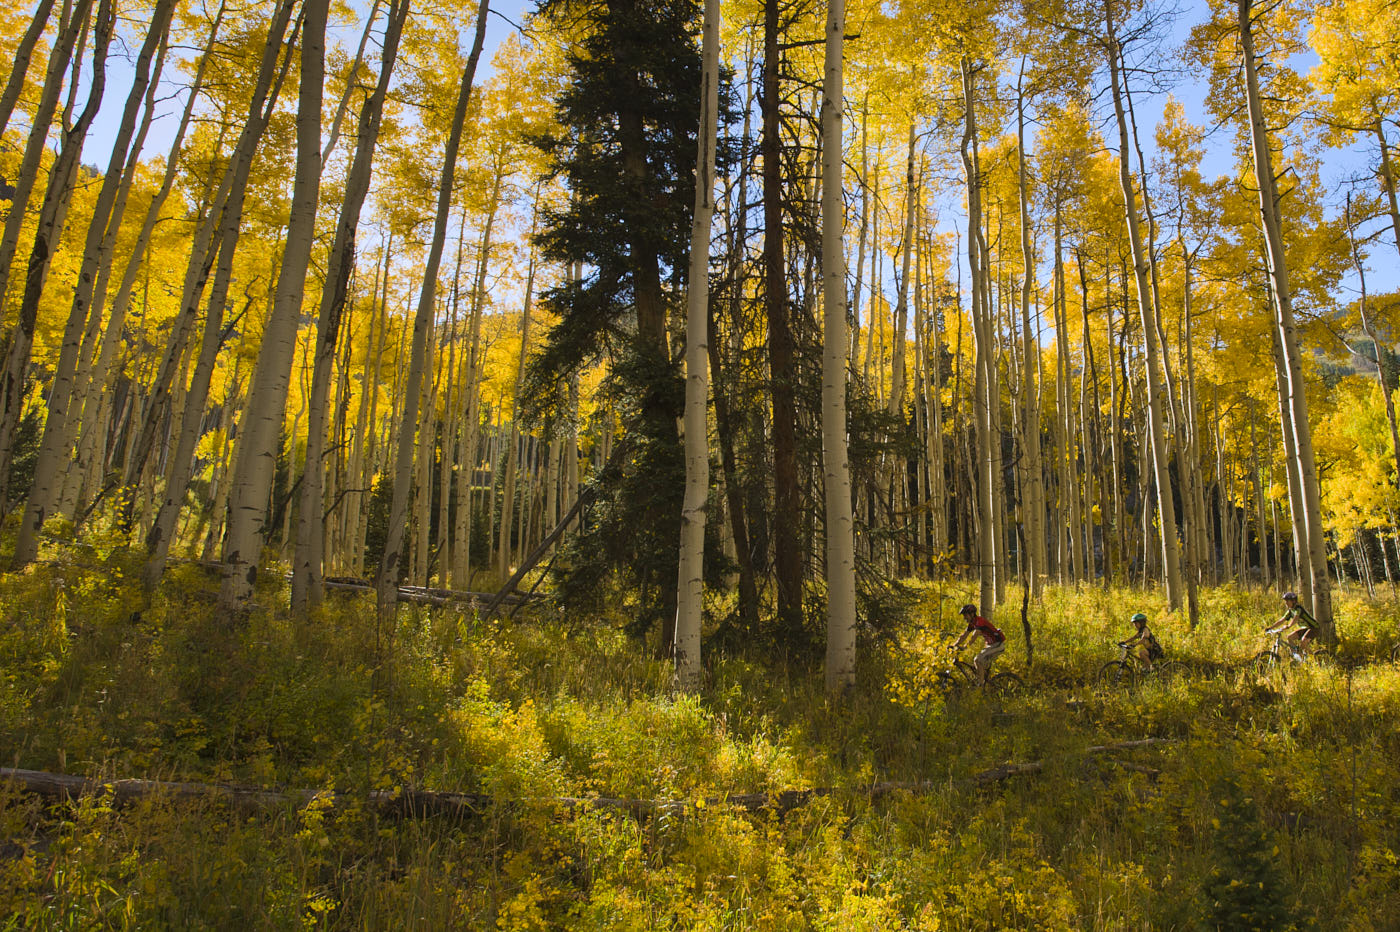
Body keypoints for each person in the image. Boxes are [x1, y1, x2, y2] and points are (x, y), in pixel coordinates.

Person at [952, 603, 1005, 685]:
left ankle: (980, 687)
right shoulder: (972, 623)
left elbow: (974, 636)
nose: (964, 618)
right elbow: (964, 636)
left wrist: (965, 647)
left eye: (965, 615)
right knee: (979, 663)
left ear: (972, 614)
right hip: (990, 645)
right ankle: (984, 680)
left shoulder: (979, 622)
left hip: (997, 644)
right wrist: (954, 645)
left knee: (977, 660)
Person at [1265, 591, 1319, 660]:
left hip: (1314, 628)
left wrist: (1288, 626)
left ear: (1293, 601)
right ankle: (1298, 657)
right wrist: (1270, 628)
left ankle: (1314, 659)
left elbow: (1295, 619)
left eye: (1288, 601)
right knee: (1289, 637)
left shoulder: (1298, 609)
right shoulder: (1291, 611)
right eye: (1285, 601)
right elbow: (1281, 620)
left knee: (1303, 642)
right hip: (1305, 628)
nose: (1286, 603)